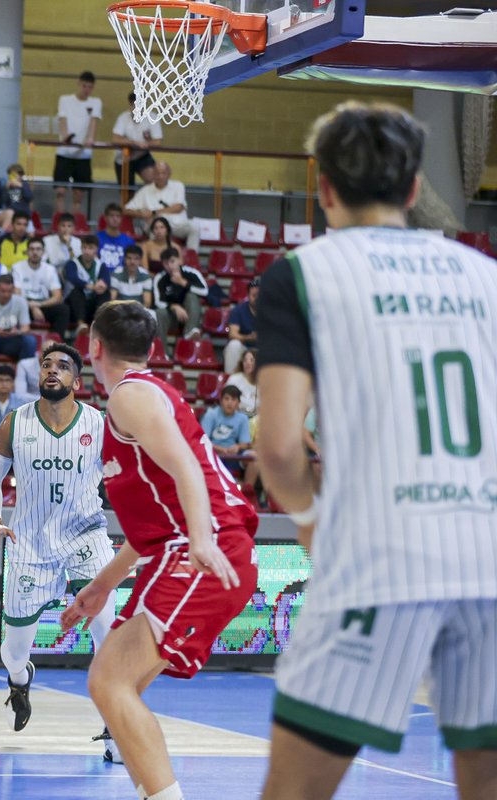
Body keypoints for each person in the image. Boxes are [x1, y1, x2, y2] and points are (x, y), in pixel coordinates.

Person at [255, 102, 497, 800]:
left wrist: (307, 518)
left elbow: (277, 449)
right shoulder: (484, 277)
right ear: (415, 188)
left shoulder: (304, 274)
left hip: (379, 558)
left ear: (324, 188)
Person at [60, 300, 258, 800]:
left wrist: (200, 540)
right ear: (150, 348)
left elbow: (189, 468)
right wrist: (103, 583)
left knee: (109, 682)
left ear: (94, 346)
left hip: (202, 549)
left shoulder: (130, 396)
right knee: (117, 689)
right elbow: (155, 518)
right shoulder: (142, 396)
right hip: (182, 547)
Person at [0, 344, 116, 737]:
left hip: (86, 537)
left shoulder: (99, 424)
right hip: (29, 541)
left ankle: (113, 721)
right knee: (14, 651)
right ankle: (20, 681)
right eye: (45, 365)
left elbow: (122, 476)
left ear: (77, 380)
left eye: (62, 366)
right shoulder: (15, 423)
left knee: (106, 627)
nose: (51, 370)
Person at [55, 71, 102, 215]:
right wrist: (65, 137)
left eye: (90, 87)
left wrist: (89, 139)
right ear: (78, 84)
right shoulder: (65, 100)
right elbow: (62, 120)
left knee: (78, 194)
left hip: (83, 155)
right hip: (64, 152)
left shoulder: (95, 102)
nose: (86, 90)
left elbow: (93, 122)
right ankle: (59, 223)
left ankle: (74, 225)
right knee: (60, 191)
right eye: (84, 86)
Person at [125, 163, 199, 251]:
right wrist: (141, 214)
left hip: (177, 225)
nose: (160, 176)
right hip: (155, 226)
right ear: (153, 174)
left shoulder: (178, 186)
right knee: (157, 225)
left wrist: (154, 212)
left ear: (169, 174)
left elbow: (179, 207)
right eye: (157, 173)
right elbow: (126, 210)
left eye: (163, 173)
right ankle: (155, 259)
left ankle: (191, 259)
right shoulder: (145, 190)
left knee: (194, 227)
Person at [12, 237, 71, 340]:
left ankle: (54, 343)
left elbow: (57, 296)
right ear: (27, 251)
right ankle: (19, 340)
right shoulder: (17, 267)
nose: (35, 252)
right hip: (24, 305)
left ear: (43, 252)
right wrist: (32, 307)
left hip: (44, 304)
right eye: (32, 249)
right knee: (14, 307)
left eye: (38, 249)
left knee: (63, 309)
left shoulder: (50, 269)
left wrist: (39, 305)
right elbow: (17, 295)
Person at [152, 247, 208, 345]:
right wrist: (174, 307)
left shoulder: (191, 273)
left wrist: (183, 283)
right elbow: (158, 301)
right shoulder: (160, 278)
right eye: (166, 263)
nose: (170, 266)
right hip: (172, 316)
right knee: (159, 312)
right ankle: (162, 353)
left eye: (172, 261)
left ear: (179, 260)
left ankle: (189, 333)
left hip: (191, 314)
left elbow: (205, 291)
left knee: (191, 296)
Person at [111, 92, 162, 186]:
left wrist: (143, 145)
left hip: (142, 156)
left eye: (140, 105)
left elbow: (157, 141)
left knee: (153, 179)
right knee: (126, 191)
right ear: (130, 105)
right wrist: (134, 143)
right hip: (123, 158)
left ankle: (148, 199)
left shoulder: (152, 117)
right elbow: (115, 139)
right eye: (134, 105)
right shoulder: (123, 118)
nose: (137, 109)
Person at [201, 385, 252, 472]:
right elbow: (202, 440)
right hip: (212, 453)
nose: (230, 403)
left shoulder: (243, 418)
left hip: (233, 455)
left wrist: (237, 446)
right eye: (226, 399)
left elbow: (246, 444)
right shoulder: (210, 415)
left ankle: (247, 485)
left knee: (253, 456)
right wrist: (220, 449)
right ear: (221, 401)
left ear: (238, 403)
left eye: (233, 399)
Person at [65, 234, 112, 329]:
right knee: (76, 292)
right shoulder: (73, 263)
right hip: (74, 305)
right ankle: (80, 324)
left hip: (92, 304)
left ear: (96, 249)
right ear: (81, 248)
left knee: (105, 293)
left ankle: (99, 323)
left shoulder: (101, 265)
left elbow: (106, 279)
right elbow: (73, 278)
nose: (87, 251)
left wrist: (102, 285)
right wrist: (90, 286)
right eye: (84, 248)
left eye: (91, 248)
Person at [223, 276, 260, 374]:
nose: (257, 299)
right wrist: (249, 337)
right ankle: (231, 383)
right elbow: (232, 334)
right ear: (248, 296)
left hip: (265, 348)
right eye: (254, 295)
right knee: (233, 345)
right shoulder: (238, 310)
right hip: (245, 348)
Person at [98, 203, 136, 274]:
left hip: (121, 278)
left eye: (118, 216)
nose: (115, 219)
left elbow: (132, 263)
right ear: (105, 218)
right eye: (112, 216)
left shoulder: (129, 241)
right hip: (100, 277)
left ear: (121, 219)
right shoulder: (97, 238)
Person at [226, 348, 258, 417]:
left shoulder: (264, 382)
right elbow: (227, 401)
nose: (248, 363)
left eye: (252, 360)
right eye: (245, 360)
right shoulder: (234, 379)